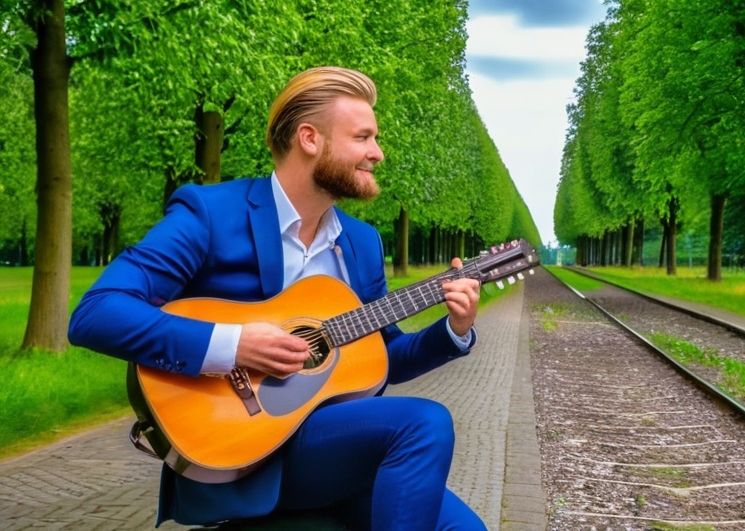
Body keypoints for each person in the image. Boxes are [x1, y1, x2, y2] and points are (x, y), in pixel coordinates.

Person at [68, 66, 486, 530]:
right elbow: (96, 312)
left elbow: (380, 355)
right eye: (363, 137)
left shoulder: (361, 243)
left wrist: (454, 330)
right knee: (423, 422)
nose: (377, 153)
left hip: (338, 451)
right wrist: (233, 345)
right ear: (309, 139)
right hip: (242, 452)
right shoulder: (210, 214)